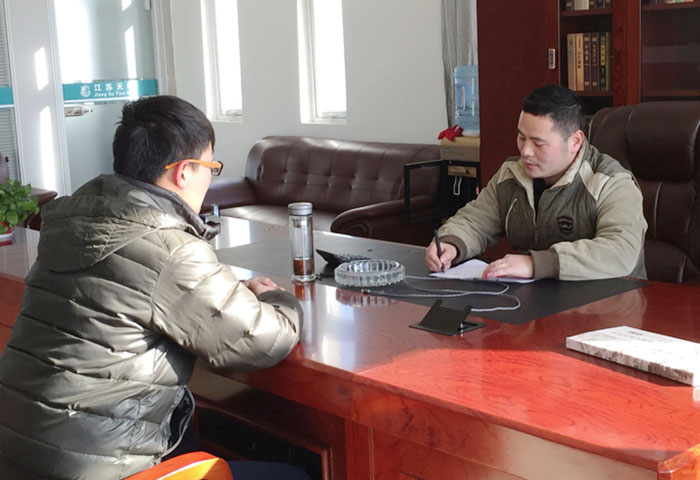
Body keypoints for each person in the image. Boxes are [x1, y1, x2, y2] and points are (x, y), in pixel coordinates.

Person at [0, 95, 309, 479]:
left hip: (18, 452)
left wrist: (229, 289)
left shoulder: (75, 222)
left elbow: (130, 293)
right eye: (211, 167)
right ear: (183, 172)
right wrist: (277, 298)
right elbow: (259, 339)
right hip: (95, 465)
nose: (211, 178)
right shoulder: (169, 248)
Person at [426, 84, 647, 281]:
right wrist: (451, 244)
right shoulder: (511, 174)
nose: (525, 151)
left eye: (538, 143)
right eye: (521, 138)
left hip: (612, 301)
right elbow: (476, 221)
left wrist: (537, 264)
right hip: (540, 300)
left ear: (575, 141)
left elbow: (621, 250)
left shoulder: (611, 183)